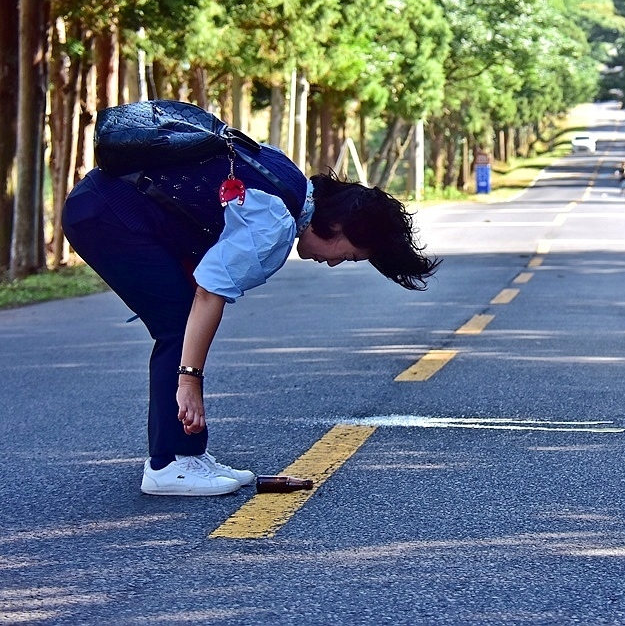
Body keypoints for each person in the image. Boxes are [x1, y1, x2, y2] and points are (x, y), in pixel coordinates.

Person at [62, 140, 440, 496]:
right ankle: (169, 465)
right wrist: (189, 381)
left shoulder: (288, 179)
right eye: (351, 254)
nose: (337, 262)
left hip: (103, 201)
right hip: (106, 216)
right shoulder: (274, 225)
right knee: (177, 322)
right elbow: (210, 292)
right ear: (338, 226)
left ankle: (188, 456)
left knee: (179, 314)